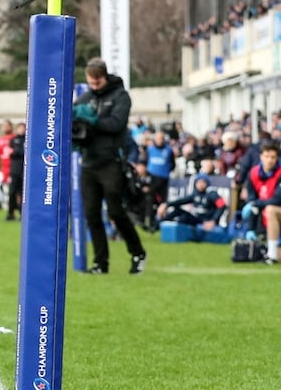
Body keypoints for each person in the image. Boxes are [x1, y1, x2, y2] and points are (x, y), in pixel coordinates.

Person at [72, 57, 147, 274]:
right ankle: (100, 263)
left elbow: (117, 124)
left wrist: (93, 121)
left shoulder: (120, 96)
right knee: (92, 214)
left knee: (116, 211)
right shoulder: (85, 98)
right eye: (91, 83)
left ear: (104, 77)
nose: (94, 87)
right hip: (88, 161)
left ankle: (137, 252)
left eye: (98, 83)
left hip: (111, 161)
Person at [238, 141, 281, 265]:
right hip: (264, 217)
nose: (270, 160)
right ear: (261, 157)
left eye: (273, 157)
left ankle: (271, 254)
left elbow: (277, 199)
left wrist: (255, 204)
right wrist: (250, 228)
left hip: (275, 211)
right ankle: (271, 252)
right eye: (267, 156)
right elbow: (251, 199)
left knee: (271, 209)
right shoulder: (253, 173)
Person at [156, 173, 226, 234]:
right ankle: (158, 225)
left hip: (207, 221)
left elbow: (222, 206)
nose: (200, 185)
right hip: (197, 220)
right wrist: (166, 204)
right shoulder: (195, 194)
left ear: (207, 183)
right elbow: (181, 201)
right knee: (179, 212)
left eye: (203, 182)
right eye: (198, 182)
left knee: (184, 218)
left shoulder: (212, 194)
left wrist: (213, 220)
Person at [6, 122, 26, 221]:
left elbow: (22, 152)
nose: (21, 130)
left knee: (23, 193)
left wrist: (15, 152)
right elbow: (8, 152)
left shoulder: (27, 140)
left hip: (24, 170)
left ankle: (22, 213)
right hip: (14, 170)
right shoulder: (13, 140)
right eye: (20, 128)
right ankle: (10, 213)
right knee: (12, 192)